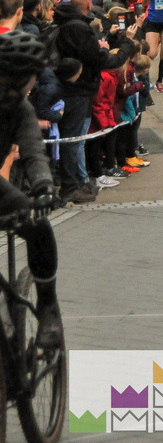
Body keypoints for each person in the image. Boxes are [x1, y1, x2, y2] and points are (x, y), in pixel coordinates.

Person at [0, 32, 62, 345]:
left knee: (37, 224)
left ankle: (48, 306)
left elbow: (33, 150)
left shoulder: (19, 108)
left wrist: (42, 185)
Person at [52, 0, 138, 203]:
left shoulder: (66, 24)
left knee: (74, 140)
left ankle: (76, 183)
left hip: (74, 88)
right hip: (77, 90)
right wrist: (127, 42)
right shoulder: (79, 28)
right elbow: (103, 60)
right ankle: (70, 187)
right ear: (89, 5)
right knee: (73, 141)